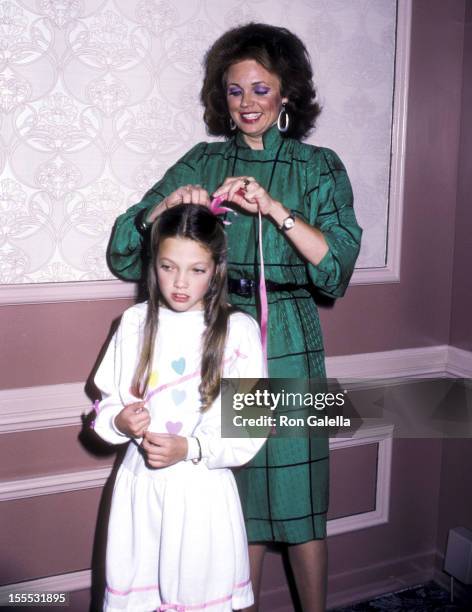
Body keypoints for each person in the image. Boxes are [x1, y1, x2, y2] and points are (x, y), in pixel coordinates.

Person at [107, 23, 362, 612]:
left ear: (287, 95)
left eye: (260, 89)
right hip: (214, 333)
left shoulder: (318, 167)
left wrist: (275, 210)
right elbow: (124, 250)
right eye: (234, 91)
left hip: (291, 339)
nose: (246, 103)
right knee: (231, 490)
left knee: (298, 496)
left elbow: (337, 271)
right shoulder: (202, 159)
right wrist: (165, 207)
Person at [93, 204, 267, 611]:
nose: (180, 283)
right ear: (153, 264)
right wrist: (119, 420)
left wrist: (189, 447)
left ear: (216, 269)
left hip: (201, 494)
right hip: (142, 493)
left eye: (197, 270)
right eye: (169, 267)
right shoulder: (134, 322)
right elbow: (107, 403)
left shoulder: (237, 330)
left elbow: (249, 426)